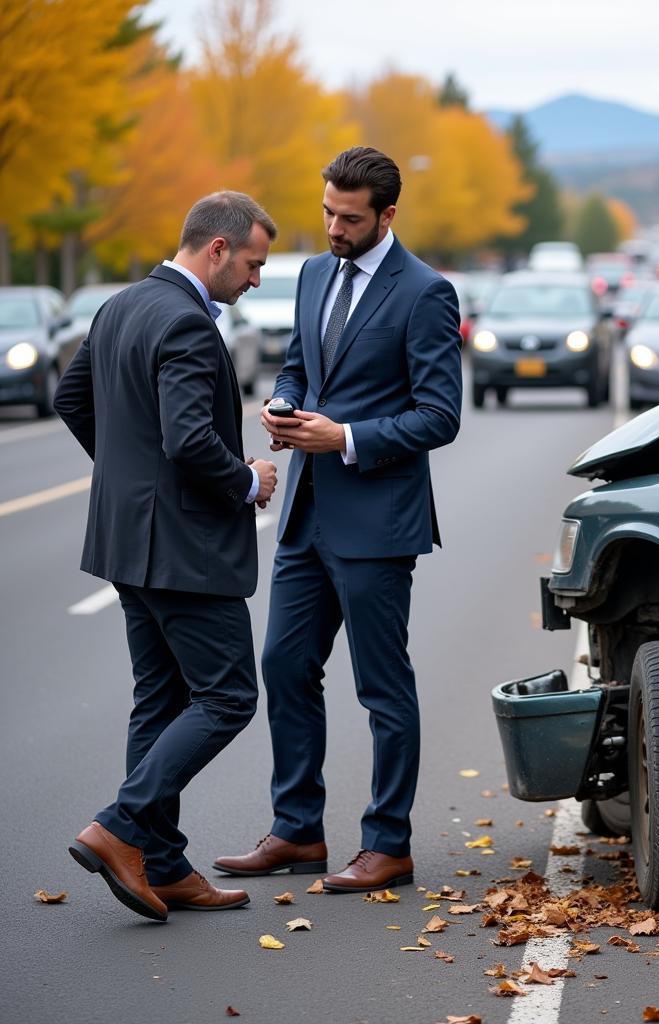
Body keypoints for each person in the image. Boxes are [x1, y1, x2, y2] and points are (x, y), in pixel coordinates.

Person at [213, 147, 462, 893]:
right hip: (308, 514)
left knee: (382, 687)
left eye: (349, 218)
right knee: (285, 666)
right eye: (327, 212)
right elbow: (301, 365)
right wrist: (283, 403)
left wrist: (346, 438)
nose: (333, 228)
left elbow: (440, 415)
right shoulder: (316, 274)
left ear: (387, 215)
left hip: (379, 520)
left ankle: (388, 844)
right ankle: (296, 832)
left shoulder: (426, 293)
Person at [55, 192, 279, 921]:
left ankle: (166, 862)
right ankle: (121, 828)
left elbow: (71, 398)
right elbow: (186, 440)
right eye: (251, 264)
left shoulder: (120, 306)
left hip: (128, 540)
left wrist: (131, 484)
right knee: (228, 696)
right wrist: (248, 480)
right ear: (216, 249)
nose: (255, 280)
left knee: (161, 698)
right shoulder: (184, 320)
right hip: (184, 548)